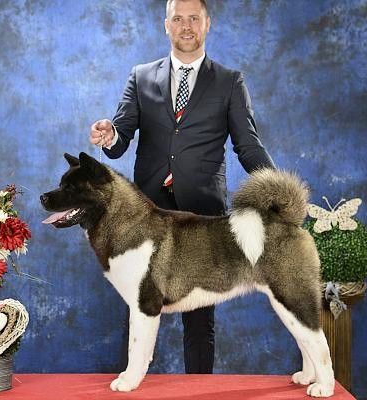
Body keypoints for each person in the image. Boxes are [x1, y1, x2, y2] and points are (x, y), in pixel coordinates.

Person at [88, 0, 275, 374]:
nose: (186, 26)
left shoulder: (229, 81)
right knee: (139, 305)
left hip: (203, 214)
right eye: (178, 19)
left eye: (194, 18)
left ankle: (200, 388)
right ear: (166, 26)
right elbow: (121, 137)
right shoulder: (140, 76)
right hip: (146, 215)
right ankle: (133, 380)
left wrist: (275, 196)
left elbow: (247, 145)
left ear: (208, 24)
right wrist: (109, 135)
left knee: (200, 316)